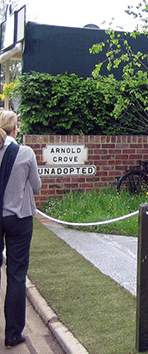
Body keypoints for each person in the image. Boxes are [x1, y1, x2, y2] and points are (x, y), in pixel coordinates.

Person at [0, 110, 41, 348]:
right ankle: (13, 334)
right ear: (15, 128)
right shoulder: (25, 153)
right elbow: (36, 186)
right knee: (16, 275)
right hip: (19, 218)